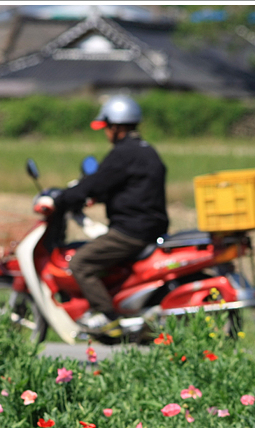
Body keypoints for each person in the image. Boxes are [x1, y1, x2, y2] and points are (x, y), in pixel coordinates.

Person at [53, 94, 169, 334]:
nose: (105, 132)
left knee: (81, 262)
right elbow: (125, 187)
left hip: (131, 230)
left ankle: (106, 315)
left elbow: (96, 182)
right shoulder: (145, 151)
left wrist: (64, 198)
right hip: (149, 226)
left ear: (117, 126)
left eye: (106, 127)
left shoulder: (124, 153)